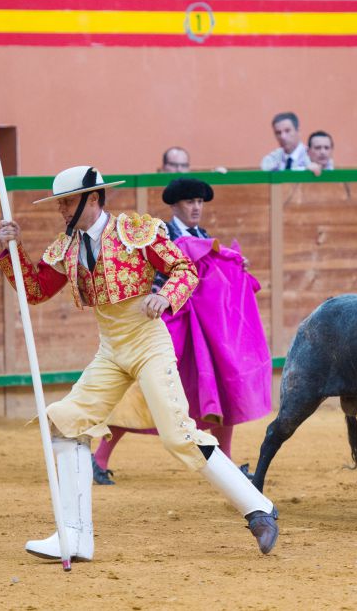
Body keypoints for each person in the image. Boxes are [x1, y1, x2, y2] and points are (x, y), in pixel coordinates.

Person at [0, 165, 278, 561]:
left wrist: (166, 298)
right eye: (59, 203)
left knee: (179, 436)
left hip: (148, 342)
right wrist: (13, 250)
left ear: (92, 200)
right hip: (110, 350)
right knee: (64, 420)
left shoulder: (134, 231)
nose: (61, 210)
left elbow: (184, 269)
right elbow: (36, 290)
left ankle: (258, 508)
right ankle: (73, 537)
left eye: (67, 202)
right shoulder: (67, 246)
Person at [92, 177, 272, 484]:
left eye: (200, 202)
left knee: (217, 388)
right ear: (175, 206)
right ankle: (99, 458)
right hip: (168, 325)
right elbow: (149, 276)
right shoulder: (161, 235)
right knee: (145, 391)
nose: (196, 208)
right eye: (190, 202)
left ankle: (225, 463)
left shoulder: (203, 236)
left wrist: (233, 267)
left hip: (200, 331)